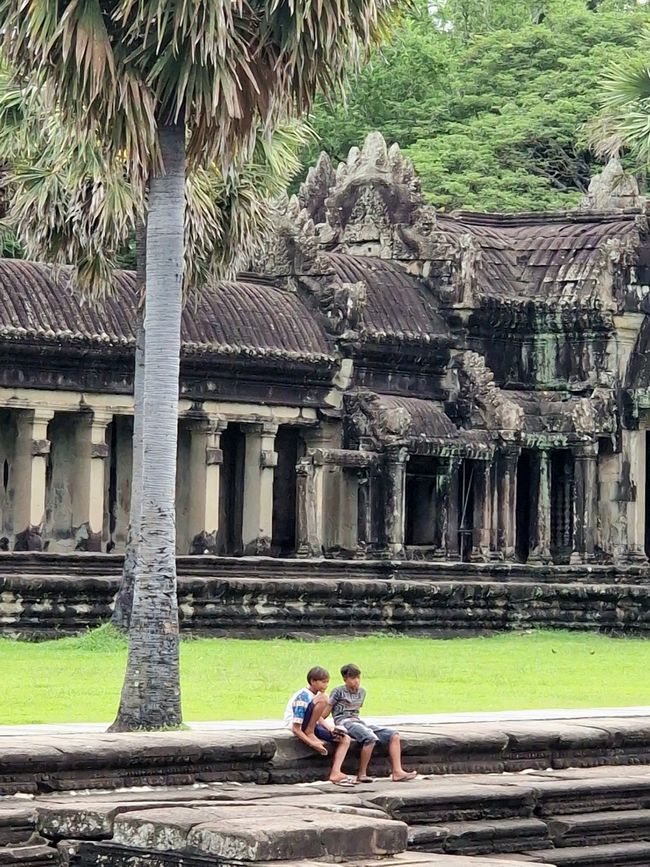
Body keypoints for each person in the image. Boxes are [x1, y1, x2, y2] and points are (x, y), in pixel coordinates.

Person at [328, 662, 417, 783]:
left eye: (358, 678)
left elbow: (356, 712)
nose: (356, 681)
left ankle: (397, 771)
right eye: (352, 678)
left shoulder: (362, 692)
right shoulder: (338, 692)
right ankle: (362, 773)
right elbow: (327, 710)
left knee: (394, 735)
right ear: (345, 679)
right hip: (344, 722)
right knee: (370, 738)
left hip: (358, 721)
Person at [284, 665, 355, 786]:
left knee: (345, 739)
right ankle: (310, 732)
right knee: (323, 699)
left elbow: (317, 716)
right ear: (313, 681)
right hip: (301, 726)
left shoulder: (315, 696)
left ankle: (336, 772)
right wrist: (312, 743)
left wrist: (329, 728)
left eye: (327, 682)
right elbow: (295, 728)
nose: (326, 685)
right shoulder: (303, 697)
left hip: (312, 724)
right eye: (323, 682)